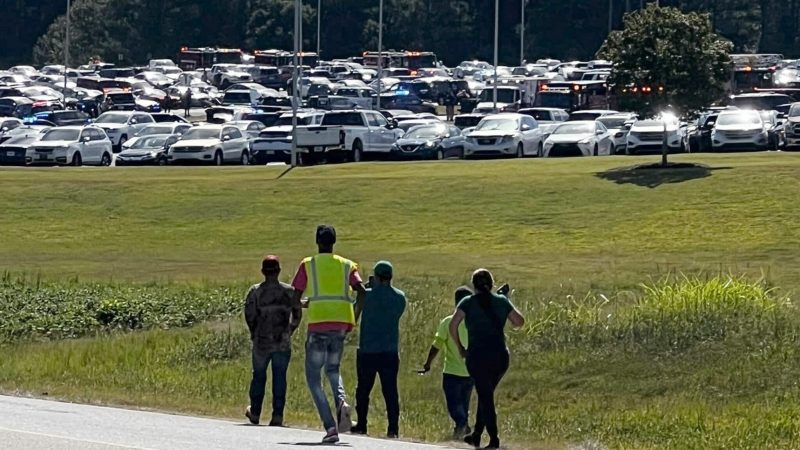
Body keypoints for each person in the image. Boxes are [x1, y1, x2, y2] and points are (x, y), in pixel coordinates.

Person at [292, 225, 367, 444]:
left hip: (318, 325)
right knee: (333, 370)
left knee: (314, 379)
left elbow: (295, 297)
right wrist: (354, 315)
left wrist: (306, 304)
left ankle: (330, 426)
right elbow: (362, 291)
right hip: (341, 324)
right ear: (334, 242)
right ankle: (341, 401)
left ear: (317, 241)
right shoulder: (346, 265)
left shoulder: (309, 265)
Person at [450, 269, 525, 450]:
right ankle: (476, 436)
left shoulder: (467, 302)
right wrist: (505, 301)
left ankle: (493, 439)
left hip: (477, 356)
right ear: (491, 284)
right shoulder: (501, 301)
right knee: (486, 394)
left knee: (486, 396)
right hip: (500, 357)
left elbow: (453, 325)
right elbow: (519, 322)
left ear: (474, 285)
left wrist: (461, 348)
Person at [244, 255, 302, 427]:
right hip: (282, 342)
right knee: (280, 377)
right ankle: (277, 415)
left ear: (262, 271)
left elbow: (249, 316)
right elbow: (297, 314)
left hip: (261, 342)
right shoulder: (289, 292)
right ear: (279, 271)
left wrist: (254, 332)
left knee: (259, 376)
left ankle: (255, 412)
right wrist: (289, 330)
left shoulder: (255, 292)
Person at [351, 261, 406, 438]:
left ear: (376, 276)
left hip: (368, 350)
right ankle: (393, 429)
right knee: (390, 391)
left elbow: (354, 314)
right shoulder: (400, 297)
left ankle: (361, 424)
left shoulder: (366, 296)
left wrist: (367, 290)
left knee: (363, 390)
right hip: (389, 350)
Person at [419, 286, 474, 439]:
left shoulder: (448, 322)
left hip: (452, 372)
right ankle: (461, 429)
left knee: (454, 404)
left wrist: (428, 363)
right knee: (464, 403)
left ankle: (462, 424)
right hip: (471, 372)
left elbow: (436, 345)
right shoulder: (475, 323)